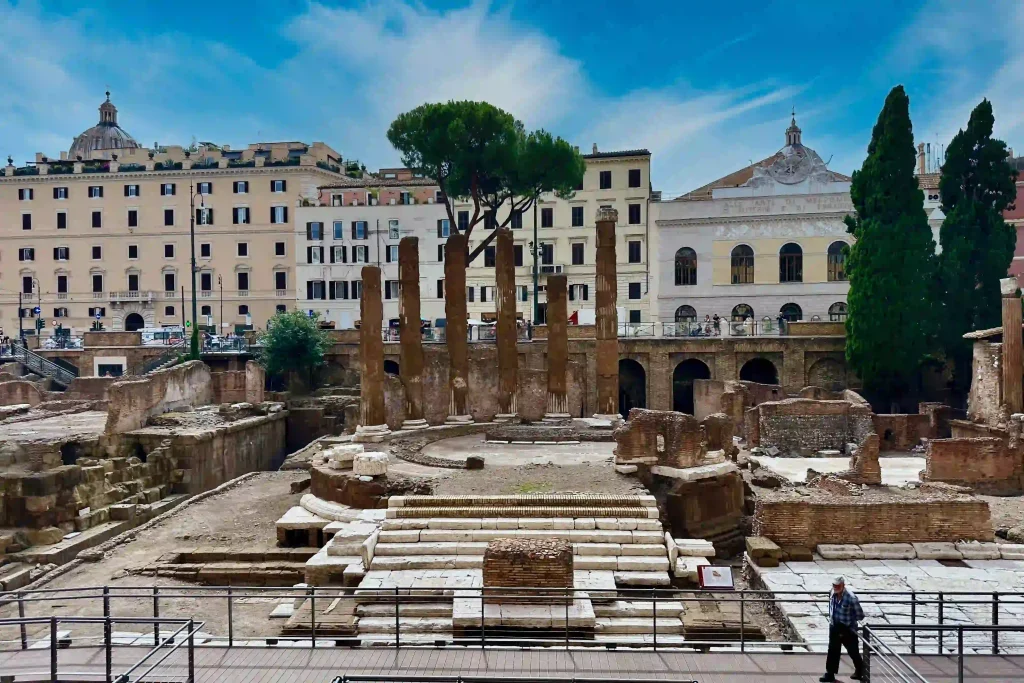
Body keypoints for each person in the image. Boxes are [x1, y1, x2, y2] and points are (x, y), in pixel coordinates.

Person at [821, 576, 864, 682]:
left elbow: (860, 615)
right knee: (832, 650)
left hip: (847, 629)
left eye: (838, 585)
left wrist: (849, 622)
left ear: (843, 585)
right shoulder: (832, 593)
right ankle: (830, 674)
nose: (835, 587)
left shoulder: (851, 598)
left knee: (853, 651)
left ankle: (860, 670)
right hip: (834, 626)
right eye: (834, 585)